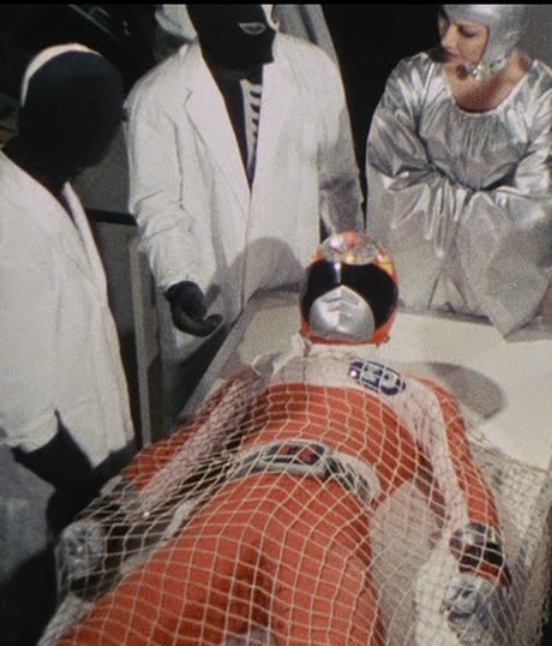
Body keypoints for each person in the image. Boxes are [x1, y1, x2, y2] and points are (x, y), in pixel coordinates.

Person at [48, 232, 509, 646]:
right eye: (328, 284)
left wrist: (481, 565)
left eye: (364, 288)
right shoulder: (266, 371)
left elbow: (459, 475)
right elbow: (186, 449)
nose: (342, 298)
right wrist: (108, 517)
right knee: (106, 632)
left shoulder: (415, 393)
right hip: (233, 511)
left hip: (325, 522)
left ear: (388, 313)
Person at [125, 4, 363, 427]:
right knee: (205, 434)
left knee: (285, 426)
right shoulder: (156, 97)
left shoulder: (313, 71)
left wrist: (351, 262)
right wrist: (180, 281)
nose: (262, 60)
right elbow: (158, 203)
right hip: (210, 301)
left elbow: (339, 181)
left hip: (287, 293)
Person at [0, 44, 136, 645]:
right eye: (100, 117)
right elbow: (23, 413)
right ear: (56, 121)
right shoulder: (10, 228)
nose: (112, 130)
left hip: (85, 459)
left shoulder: (53, 180)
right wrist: (91, 491)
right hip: (48, 478)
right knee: (42, 620)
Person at [365, 4, 552, 336]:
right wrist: (485, 207)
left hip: (500, 319)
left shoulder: (542, 101)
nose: (448, 39)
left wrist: (437, 200)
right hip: (411, 302)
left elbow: (532, 214)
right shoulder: (413, 79)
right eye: (444, 19)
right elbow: (393, 189)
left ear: (505, 31)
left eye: (467, 31)